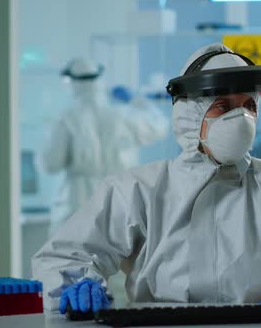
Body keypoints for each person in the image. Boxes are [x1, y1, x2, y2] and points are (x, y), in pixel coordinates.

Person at [33, 44, 261, 313]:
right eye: (223, 106)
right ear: (191, 114)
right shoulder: (139, 189)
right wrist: (78, 284)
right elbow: (64, 256)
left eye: (249, 105)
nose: (242, 119)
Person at [41, 58, 168, 232]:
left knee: (76, 254)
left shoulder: (66, 119)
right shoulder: (123, 115)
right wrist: (136, 100)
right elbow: (160, 125)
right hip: (119, 200)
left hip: (78, 202)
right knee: (120, 254)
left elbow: (51, 164)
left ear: (72, 83)